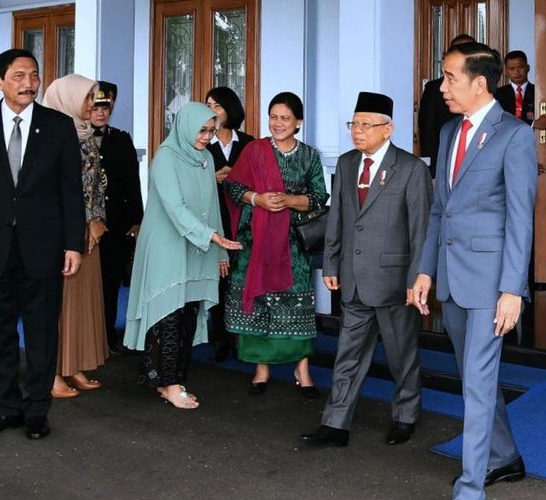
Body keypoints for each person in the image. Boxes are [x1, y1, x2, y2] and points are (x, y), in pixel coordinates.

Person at [411, 42, 536, 499]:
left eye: (449, 78)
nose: (441, 87)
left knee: (478, 388)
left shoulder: (515, 135)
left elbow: (521, 219)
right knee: (474, 378)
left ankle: (470, 489)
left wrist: (512, 290)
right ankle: (504, 457)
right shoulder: (448, 133)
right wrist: (425, 271)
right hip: (451, 278)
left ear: (479, 83)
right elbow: (439, 210)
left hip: (489, 284)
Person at [0, 49, 84, 440]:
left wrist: (72, 244)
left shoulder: (59, 126)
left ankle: (36, 411)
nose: (28, 83)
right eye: (18, 76)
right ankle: (6, 407)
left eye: (33, 75)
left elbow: (70, 191)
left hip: (43, 247)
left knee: (42, 330)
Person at [300, 92, 431, 448]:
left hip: (395, 282)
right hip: (354, 278)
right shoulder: (344, 164)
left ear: (387, 129)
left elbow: (421, 230)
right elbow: (338, 219)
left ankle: (405, 416)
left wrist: (416, 280)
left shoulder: (411, 168)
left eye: (365, 125)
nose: (357, 131)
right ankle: (335, 423)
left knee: (402, 355)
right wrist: (331, 262)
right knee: (348, 354)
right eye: (353, 124)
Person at [124, 102, 242, 409]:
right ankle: (170, 383)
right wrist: (210, 236)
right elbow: (175, 208)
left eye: (211, 131)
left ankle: (167, 377)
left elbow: (212, 206)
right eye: (202, 130)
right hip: (167, 246)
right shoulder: (166, 158)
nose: (206, 137)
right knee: (169, 313)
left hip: (198, 247)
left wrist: (218, 249)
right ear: (186, 126)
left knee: (187, 313)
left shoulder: (203, 158)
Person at [224, 92, 327, 398]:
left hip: (293, 244)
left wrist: (291, 201)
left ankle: (302, 368)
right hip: (256, 241)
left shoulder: (309, 156)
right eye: (273, 117)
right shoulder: (254, 151)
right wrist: (257, 199)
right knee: (261, 303)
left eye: (285, 118)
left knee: (297, 304)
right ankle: (261, 368)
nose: (278, 123)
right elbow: (233, 186)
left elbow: (320, 196)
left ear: (298, 123)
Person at [43, 74, 109, 398]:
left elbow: (96, 187)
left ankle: (74, 364)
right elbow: (59, 192)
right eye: (86, 98)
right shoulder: (53, 137)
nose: (92, 105)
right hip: (64, 235)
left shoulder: (86, 135)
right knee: (61, 308)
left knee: (83, 303)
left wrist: (96, 221)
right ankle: (52, 373)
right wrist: (81, 225)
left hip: (88, 234)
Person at [90, 81, 144, 355]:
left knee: (110, 283)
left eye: (106, 107)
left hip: (117, 222)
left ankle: (107, 336)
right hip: (87, 224)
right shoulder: (76, 137)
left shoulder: (121, 139)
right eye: (96, 107)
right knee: (88, 284)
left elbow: (132, 182)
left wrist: (137, 220)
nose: (101, 113)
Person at [204, 86, 255, 362]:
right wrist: (213, 179)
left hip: (246, 219)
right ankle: (220, 339)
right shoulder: (201, 142)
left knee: (243, 278)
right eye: (208, 105)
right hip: (214, 218)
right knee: (219, 279)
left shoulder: (248, 142)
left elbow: (259, 177)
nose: (212, 110)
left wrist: (234, 176)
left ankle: (244, 337)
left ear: (230, 109)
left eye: (217, 106)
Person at [418, 34, 475, 177]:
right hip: (445, 161)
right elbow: (427, 131)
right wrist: (432, 171)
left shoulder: (483, 86)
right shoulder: (434, 88)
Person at [494, 50, 535, 126]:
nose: (517, 71)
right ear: (506, 72)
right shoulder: (498, 94)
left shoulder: (536, 92)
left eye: (520, 67)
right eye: (512, 69)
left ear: (528, 68)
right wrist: (533, 123)